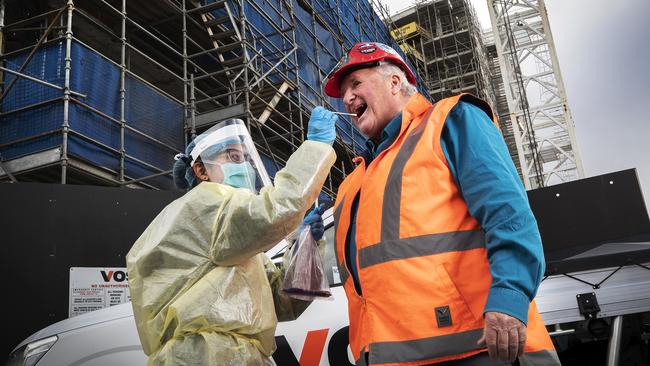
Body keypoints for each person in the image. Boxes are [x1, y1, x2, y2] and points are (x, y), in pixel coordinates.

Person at [323, 42, 560, 365]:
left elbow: (508, 215)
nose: (347, 98)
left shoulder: (450, 120)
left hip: (476, 347)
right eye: (343, 94)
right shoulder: (355, 181)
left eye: (356, 84)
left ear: (395, 82)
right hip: (390, 356)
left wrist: (510, 298)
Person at [126, 113, 337, 365]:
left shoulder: (228, 233)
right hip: (206, 354)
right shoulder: (205, 205)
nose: (245, 166)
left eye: (247, 159)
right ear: (201, 171)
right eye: (233, 157)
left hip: (230, 353)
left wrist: (306, 246)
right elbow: (280, 208)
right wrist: (316, 146)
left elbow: (287, 303)